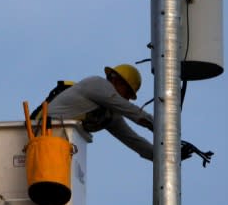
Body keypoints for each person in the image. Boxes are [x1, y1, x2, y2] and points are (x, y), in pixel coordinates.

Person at [41, 64, 213, 165]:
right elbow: (132, 112)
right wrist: (162, 128)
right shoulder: (97, 84)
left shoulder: (109, 114)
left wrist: (169, 156)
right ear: (115, 79)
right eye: (127, 93)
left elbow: (134, 141)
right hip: (41, 133)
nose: (127, 99)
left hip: (57, 145)